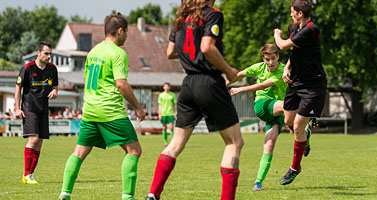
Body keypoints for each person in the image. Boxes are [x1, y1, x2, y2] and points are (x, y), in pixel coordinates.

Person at [145, 1, 243, 199]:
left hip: (188, 84)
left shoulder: (182, 17)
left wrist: (190, 54)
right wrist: (229, 70)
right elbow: (207, 47)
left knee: (175, 144)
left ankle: (153, 194)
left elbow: (170, 52)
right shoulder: (212, 14)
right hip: (209, 83)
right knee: (234, 142)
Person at [58, 13, 145, 200]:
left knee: (79, 152)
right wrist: (138, 107)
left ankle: (64, 194)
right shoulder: (118, 53)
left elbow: (86, 79)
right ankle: (128, 197)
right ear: (120, 31)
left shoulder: (93, 51)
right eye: (127, 32)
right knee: (134, 150)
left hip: (90, 110)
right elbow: (121, 84)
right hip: (110, 111)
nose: (127, 36)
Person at [273, 0, 326, 185]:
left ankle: (295, 168)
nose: (290, 15)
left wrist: (276, 35)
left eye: (292, 12)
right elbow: (295, 52)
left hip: (313, 85)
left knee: (296, 126)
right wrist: (287, 66)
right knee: (288, 121)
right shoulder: (293, 28)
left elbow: (283, 46)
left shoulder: (311, 29)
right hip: (296, 82)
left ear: (300, 14)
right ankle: (306, 135)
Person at [227, 44, 287, 191]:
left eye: (273, 58)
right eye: (268, 59)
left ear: (278, 56)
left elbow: (263, 85)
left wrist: (241, 89)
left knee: (269, 145)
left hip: (276, 112)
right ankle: (301, 128)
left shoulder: (283, 70)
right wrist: (223, 85)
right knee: (289, 106)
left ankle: (258, 182)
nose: (271, 62)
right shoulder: (259, 67)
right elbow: (240, 74)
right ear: (263, 59)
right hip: (262, 105)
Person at [15, 41, 58, 185]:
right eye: (46, 53)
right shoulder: (27, 68)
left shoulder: (52, 69)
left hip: (43, 110)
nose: (49, 56)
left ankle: (30, 175)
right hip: (29, 108)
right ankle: (27, 174)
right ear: (38, 53)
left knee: (39, 143)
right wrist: (17, 108)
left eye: (50, 54)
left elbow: (55, 86)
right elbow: (18, 88)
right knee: (33, 140)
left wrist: (54, 91)